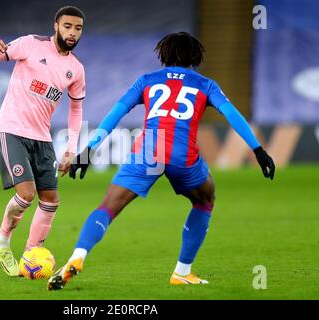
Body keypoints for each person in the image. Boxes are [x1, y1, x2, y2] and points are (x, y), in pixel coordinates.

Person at [47, 31, 275, 290]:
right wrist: (258, 149)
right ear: (195, 56)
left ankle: (78, 255)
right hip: (182, 154)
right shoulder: (205, 84)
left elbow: (115, 114)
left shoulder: (146, 80)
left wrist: (88, 150)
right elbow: (232, 115)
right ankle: (182, 272)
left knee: (108, 207)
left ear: (163, 54)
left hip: (148, 151)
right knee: (205, 199)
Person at [0, 5, 86, 277]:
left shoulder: (76, 69)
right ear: (56, 26)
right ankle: (3, 239)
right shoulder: (29, 44)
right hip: (11, 130)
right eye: (68, 26)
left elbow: (76, 109)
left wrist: (71, 150)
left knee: (51, 199)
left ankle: (31, 254)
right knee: (26, 195)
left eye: (78, 28)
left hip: (42, 138)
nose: (72, 33)